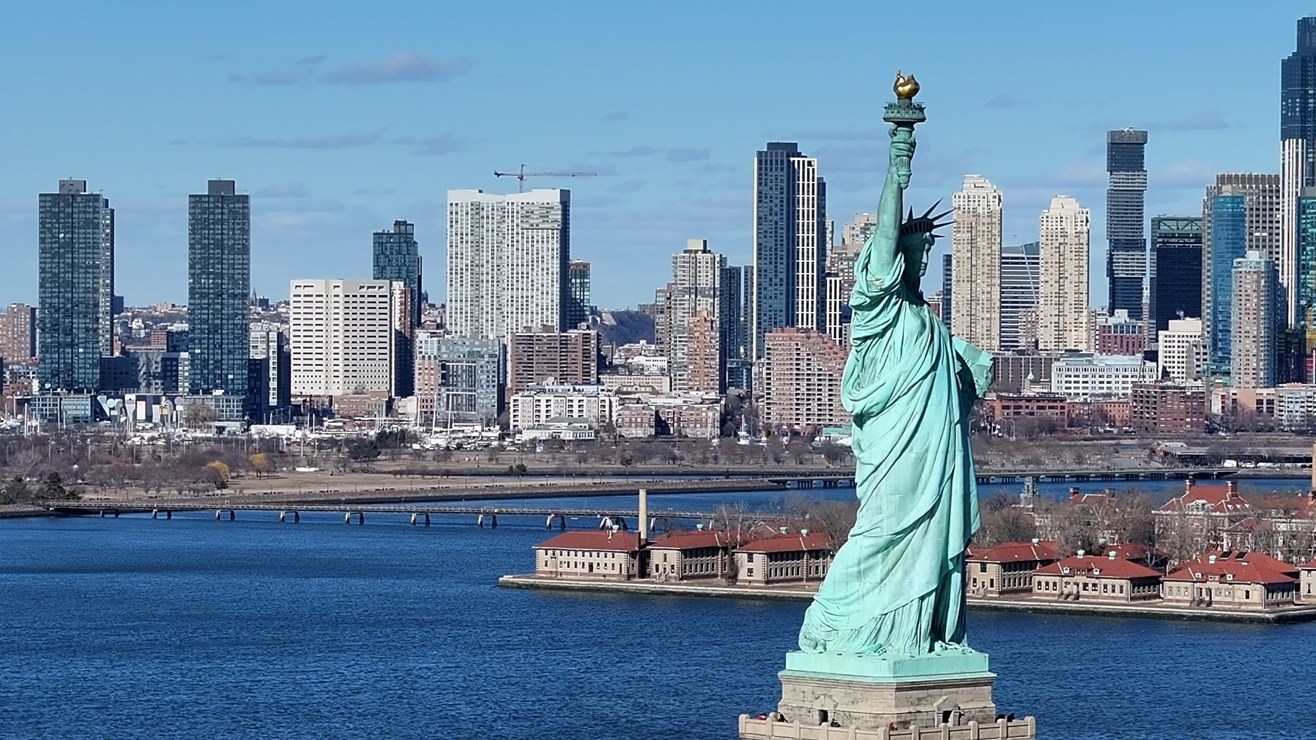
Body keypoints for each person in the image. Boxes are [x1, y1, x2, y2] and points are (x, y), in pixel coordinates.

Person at [797, 122, 990, 657]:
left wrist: (973, 374)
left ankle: (920, 634)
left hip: (935, 445)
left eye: (927, 252)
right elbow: (885, 236)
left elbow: (956, 380)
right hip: (895, 444)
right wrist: (896, 169)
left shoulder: (926, 318)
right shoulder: (879, 303)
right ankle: (833, 624)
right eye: (914, 250)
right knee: (883, 530)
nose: (921, 260)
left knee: (930, 532)